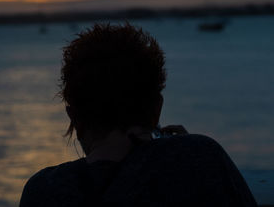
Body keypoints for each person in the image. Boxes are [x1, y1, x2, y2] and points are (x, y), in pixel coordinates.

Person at [20, 23, 258, 206]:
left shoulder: (43, 191)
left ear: (74, 117)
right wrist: (185, 150)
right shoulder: (200, 158)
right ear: (157, 108)